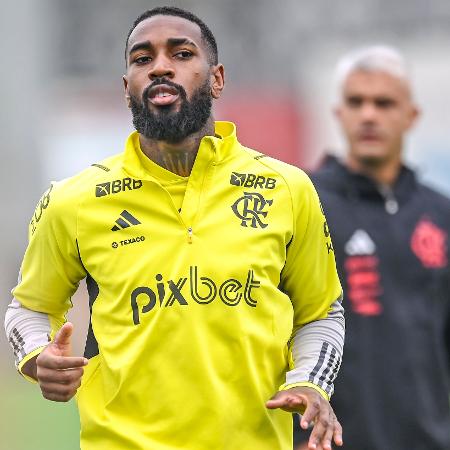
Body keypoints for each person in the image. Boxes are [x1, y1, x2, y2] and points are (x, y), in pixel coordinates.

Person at [4, 6, 345, 450]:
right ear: (127, 89)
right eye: (142, 59)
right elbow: (28, 308)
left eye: (181, 54)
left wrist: (311, 382)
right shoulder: (75, 199)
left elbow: (321, 311)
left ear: (217, 79)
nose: (160, 66)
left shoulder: (286, 188)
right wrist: (34, 357)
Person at [294, 45, 450, 450]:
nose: (368, 115)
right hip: (327, 440)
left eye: (383, 103)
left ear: (410, 116)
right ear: (338, 114)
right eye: (355, 102)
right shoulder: (302, 204)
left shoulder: (440, 214)